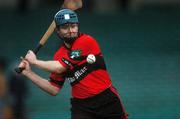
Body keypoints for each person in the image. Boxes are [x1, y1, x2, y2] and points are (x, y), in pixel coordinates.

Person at [18, 9, 128, 119]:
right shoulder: (58, 56)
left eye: (73, 26)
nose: (71, 30)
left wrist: (34, 61)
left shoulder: (86, 41)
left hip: (106, 100)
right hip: (81, 106)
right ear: (58, 31)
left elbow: (60, 67)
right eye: (65, 27)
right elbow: (53, 89)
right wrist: (28, 73)